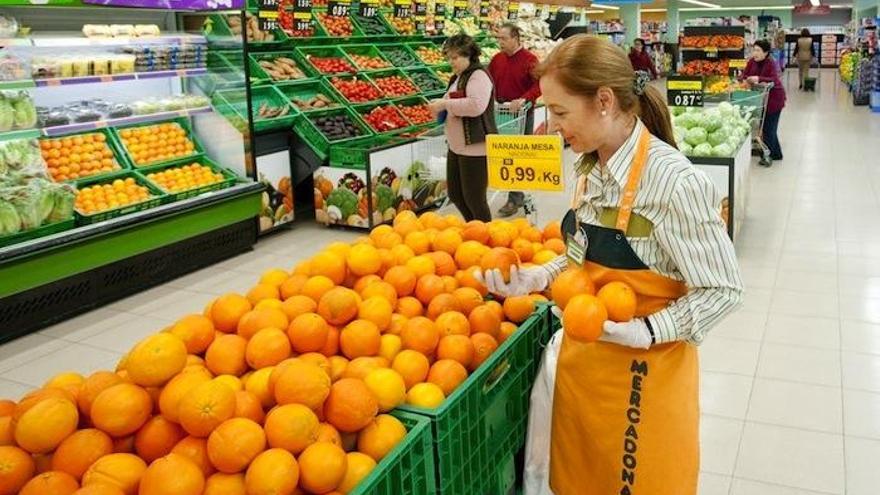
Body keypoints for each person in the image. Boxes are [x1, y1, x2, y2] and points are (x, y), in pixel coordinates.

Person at [477, 35, 743, 495]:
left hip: (647, 377)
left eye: (560, 112)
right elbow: (583, 255)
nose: (553, 126)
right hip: (587, 369)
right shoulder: (588, 168)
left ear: (603, 101)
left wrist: (650, 330)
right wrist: (541, 276)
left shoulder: (674, 182)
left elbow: (724, 290)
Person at [428, 34, 496, 222]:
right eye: (449, 57)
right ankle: (473, 228)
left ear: (469, 55)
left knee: (475, 198)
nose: (451, 62)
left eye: (455, 57)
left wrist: (444, 104)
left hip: (475, 147)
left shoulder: (478, 76)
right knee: (457, 195)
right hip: (457, 146)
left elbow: (476, 106)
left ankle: (485, 234)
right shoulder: (459, 77)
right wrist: (441, 106)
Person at [488, 22, 542, 218]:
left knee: (517, 155)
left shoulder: (530, 60)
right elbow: (488, 81)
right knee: (503, 154)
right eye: (498, 38)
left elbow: (540, 85)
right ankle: (510, 193)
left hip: (521, 114)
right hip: (501, 112)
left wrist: (524, 99)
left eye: (503, 38)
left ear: (516, 38)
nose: (499, 42)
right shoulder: (496, 60)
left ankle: (515, 198)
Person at [742, 39, 785, 164]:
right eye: (753, 50)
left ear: (766, 53)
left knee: (769, 129)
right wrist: (745, 79)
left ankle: (768, 156)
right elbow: (744, 75)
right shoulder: (751, 62)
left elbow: (774, 79)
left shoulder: (770, 63)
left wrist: (759, 78)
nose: (754, 53)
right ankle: (776, 153)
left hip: (774, 100)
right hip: (759, 100)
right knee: (767, 128)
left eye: (758, 50)